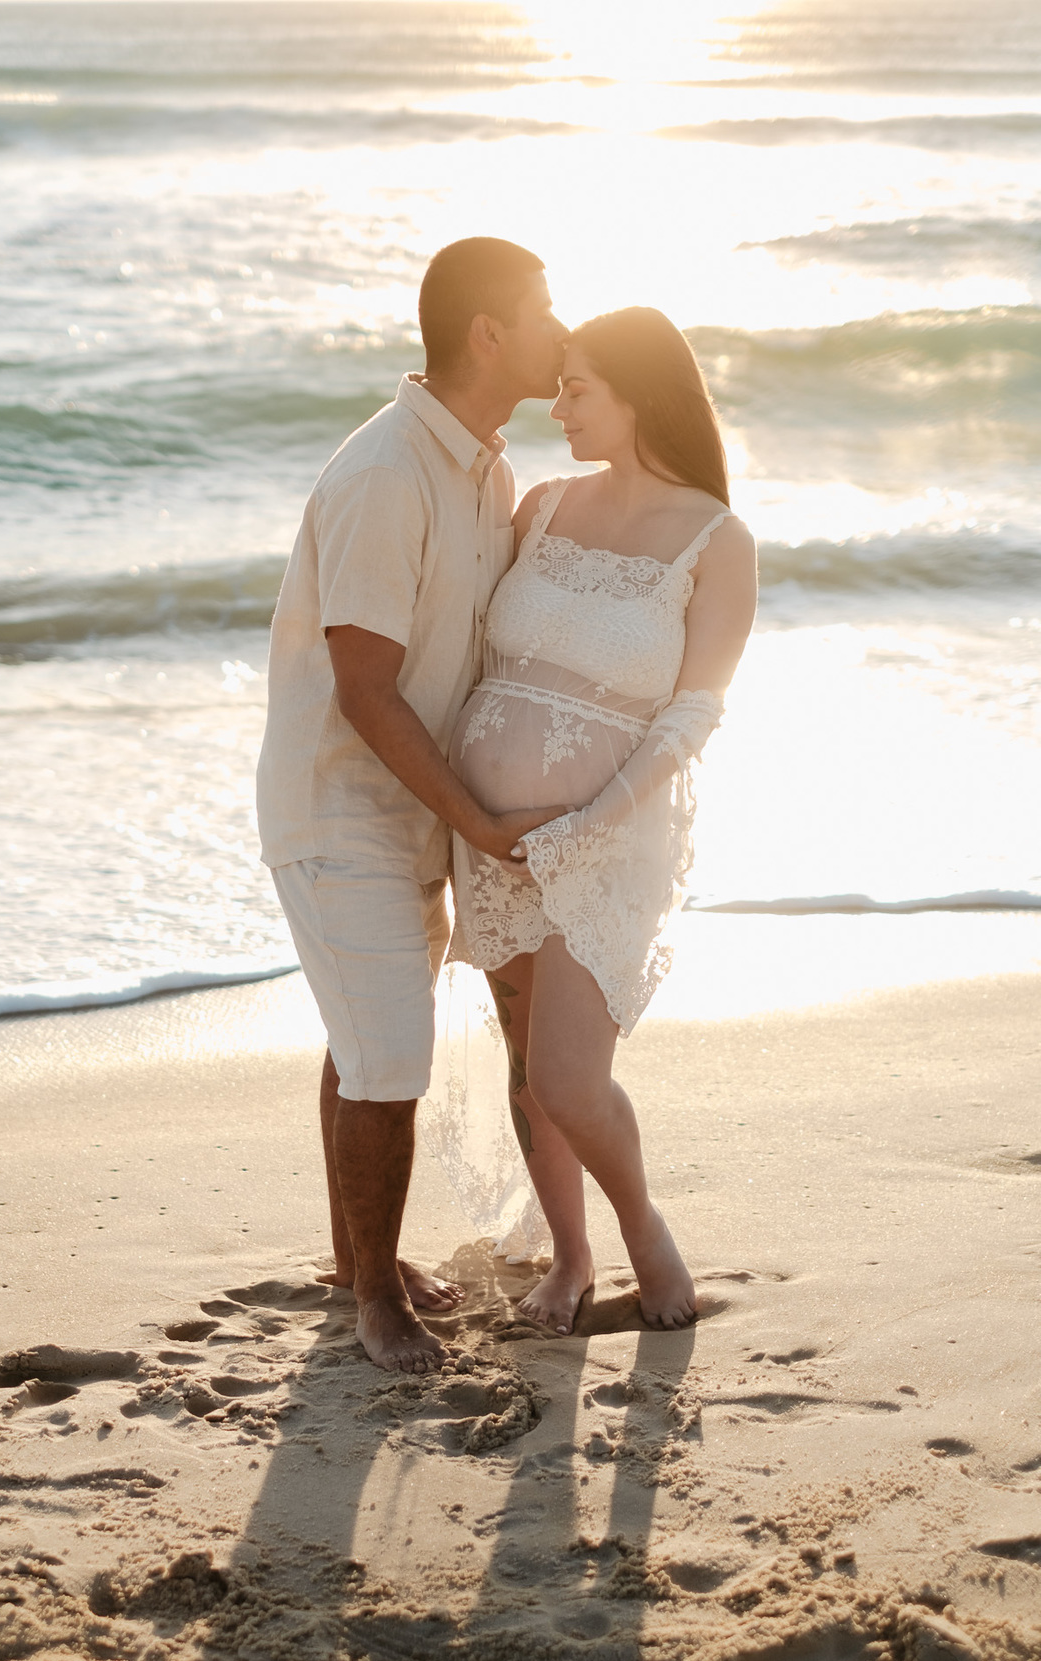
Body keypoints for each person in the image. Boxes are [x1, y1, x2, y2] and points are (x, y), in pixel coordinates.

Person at [256, 238, 569, 1373]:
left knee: (366, 1035)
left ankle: (355, 1261)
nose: (559, 328)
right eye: (542, 309)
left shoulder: (482, 465)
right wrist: (480, 822)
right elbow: (365, 686)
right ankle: (376, 1302)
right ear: (487, 333)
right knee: (392, 1056)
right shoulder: (389, 474)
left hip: (413, 807)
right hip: (343, 803)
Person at [448, 306, 758, 1333]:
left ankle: (644, 1235)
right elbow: (473, 654)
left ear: (642, 395)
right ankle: (571, 1261)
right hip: (491, 836)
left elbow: (695, 710)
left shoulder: (716, 539)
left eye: (580, 388)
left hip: (606, 835)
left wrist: (588, 818)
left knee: (575, 1079)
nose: (559, 403)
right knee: (529, 1068)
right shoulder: (540, 505)